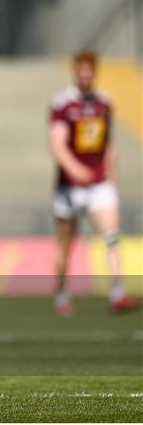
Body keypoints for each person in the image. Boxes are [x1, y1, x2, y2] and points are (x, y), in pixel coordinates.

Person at [49, 50, 140, 316]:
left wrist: (112, 176)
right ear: (75, 71)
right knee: (66, 243)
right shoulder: (63, 103)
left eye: (90, 70)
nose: (86, 75)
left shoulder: (104, 103)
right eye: (82, 70)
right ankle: (62, 294)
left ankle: (118, 292)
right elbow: (58, 143)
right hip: (69, 186)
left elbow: (109, 142)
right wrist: (74, 168)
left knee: (112, 236)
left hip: (99, 182)